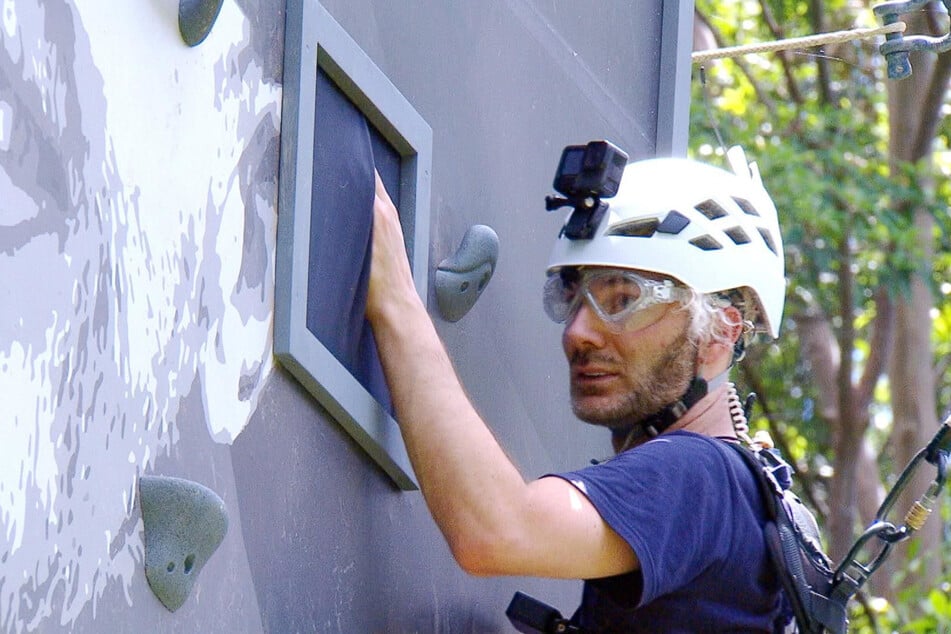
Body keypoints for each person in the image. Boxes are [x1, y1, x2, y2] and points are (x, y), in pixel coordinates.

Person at [365, 145, 787, 632]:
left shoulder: (699, 474)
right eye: (573, 297)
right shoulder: (747, 501)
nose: (578, 332)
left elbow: (497, 529)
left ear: (719, 334)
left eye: (624, 299)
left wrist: (394, 299)